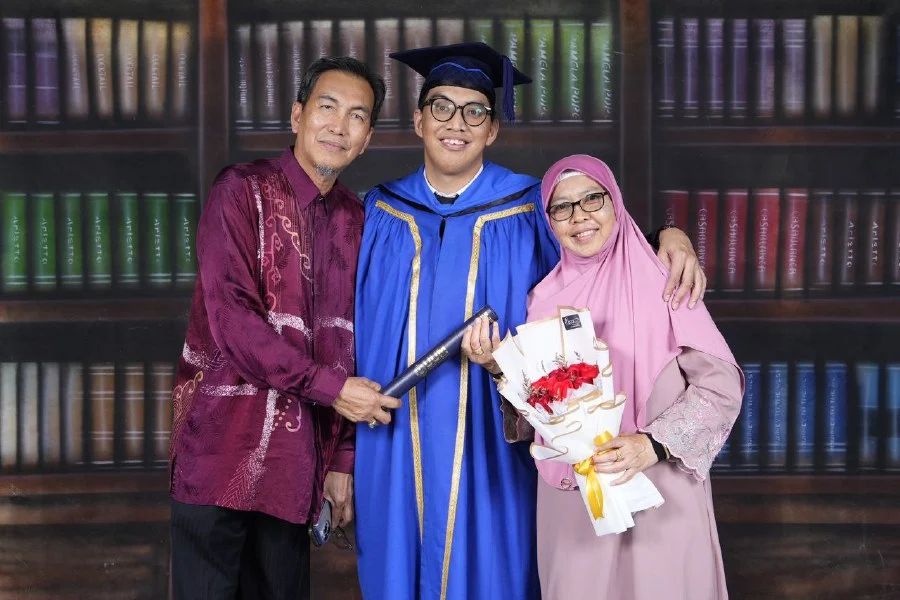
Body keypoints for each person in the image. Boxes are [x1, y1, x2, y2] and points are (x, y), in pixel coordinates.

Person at [353, 43, 707, 600]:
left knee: (499, 566)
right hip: (396, 437)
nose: (457, 124)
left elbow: (605, 243)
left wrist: (670, 235)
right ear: (418, 118)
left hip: (500, 442)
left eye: (475, 112)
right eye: (441, 108)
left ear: (493, 129)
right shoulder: (378, 211)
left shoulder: (530, 209)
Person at [168, 57, 400, 600]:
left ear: (366, 140)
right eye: (327, 107)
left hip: (297, 472)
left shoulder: (360, 221)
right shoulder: (239, 191)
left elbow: (360, 343)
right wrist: (334, 391)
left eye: (357, 116)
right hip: (219, 458)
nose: (338, 126)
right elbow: (232, 322)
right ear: (297, 116)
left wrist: (342, 462)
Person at [463, 154, 743, 600]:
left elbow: (721, 386)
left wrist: (651, 444)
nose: (580, 216)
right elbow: (539, 411)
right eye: (562, 206)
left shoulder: (665, 279)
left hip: (660, 488)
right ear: (550, 221)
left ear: (615, 203)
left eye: (593, 199)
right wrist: (500, 368)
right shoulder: (540, 299)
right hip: (576, 500)